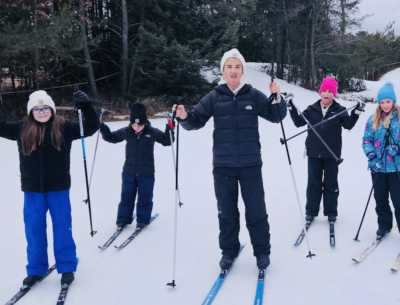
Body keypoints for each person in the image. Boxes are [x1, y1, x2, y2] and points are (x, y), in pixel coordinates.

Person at [174, 48, 287, 271]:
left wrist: (277, 98)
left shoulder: (253, 95)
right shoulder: (214, 96)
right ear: (223, 71)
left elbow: (275, 116)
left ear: (242, 71)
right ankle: (229, 251)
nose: (233, 71)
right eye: (229, 67)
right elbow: (195, 120)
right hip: (223, 165)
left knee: (256, 210)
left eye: (237, 67)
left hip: (250, 164)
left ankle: (262, 251)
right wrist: (184, 116)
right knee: (226, 212)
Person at [0, 88, 99, 287]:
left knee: (63, 227)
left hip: (59, 187)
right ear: (31, 112)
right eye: (37, 108)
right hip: (32, 189)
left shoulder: (65, 127)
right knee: (34, 229)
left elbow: (91, 127)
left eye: (45, 108)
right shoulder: (21, 128)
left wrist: (86, 106)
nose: (42, 112)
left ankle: (67, 266)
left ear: (52, 110)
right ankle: (36, 269)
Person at [288, 77, 363, 225]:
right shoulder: (311, 109)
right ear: (320, 93)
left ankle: (331, 212)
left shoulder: (340, 110)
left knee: (331, 183)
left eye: (330, 91)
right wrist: (290, 107)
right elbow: (298, 122)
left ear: (334, 94)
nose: (327, 94)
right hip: (314, 152)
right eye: (324, 91)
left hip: (332, 154)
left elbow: (348, 125)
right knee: (313, 183)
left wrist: (356, 112)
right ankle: (311, 211)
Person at [99, 102, 172, 231]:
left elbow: (167, 141)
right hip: (129, 172)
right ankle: (123, 220)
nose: (137, 128)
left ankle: (143, 220)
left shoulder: (152, 132)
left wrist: (170, 128)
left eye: (140, 125)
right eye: (134, 124)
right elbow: (111, 137)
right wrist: (103, 128)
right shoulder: (127, 132)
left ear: (145, 123)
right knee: (126, 196)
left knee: (145, 197)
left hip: (146, 172)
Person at [361, 82, 400, 246]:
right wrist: (371, 157)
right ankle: (384, 226)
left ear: (393, 102)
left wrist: (398, 147)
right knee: (380, 199)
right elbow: (366, 140)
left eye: (388, 101)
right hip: (377, 167)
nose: (385, 105)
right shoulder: (373, 119)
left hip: (395, 167)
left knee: (399, 199)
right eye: (382, 102)